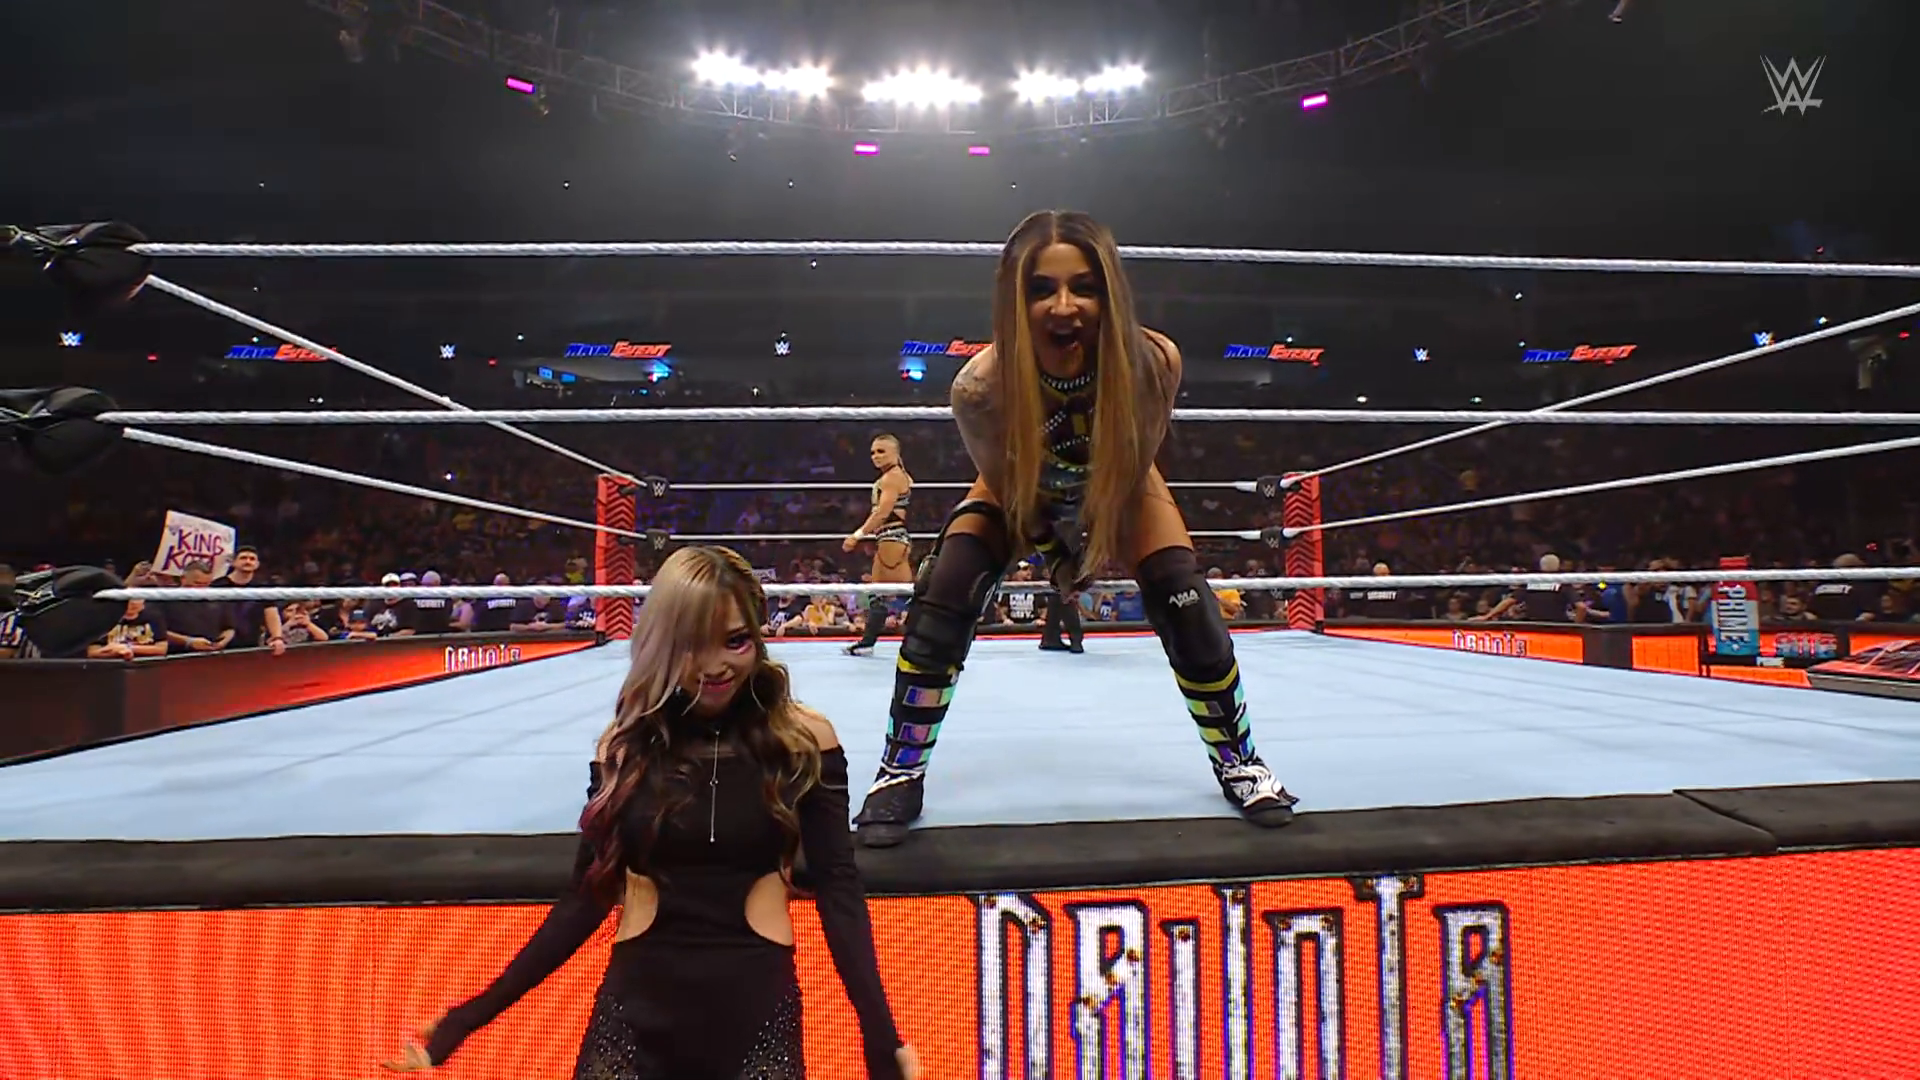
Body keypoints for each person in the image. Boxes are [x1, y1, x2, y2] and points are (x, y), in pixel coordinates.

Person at [852, 209, 1297, 849]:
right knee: (946, 588)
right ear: (1016, 298)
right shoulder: (979, 387)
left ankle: (1240, 761)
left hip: (1120, 477)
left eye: (1083, 287)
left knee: (1183, 597)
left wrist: (1094, 542)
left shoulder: (1152, 362)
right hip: (1021, 482)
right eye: (1043, 289)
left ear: (1108, 290)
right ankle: (900, 769)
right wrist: (1056, 558)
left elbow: (1133, 464)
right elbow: (1010, 485)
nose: (1064, 307)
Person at [387, 546, 917, 1080]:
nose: (715, 666)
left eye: (735, 640)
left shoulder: (804, 741)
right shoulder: (625, 748)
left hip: (756, 1014)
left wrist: (880, 1037)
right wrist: (468, 1019)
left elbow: (839, 889)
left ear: (757, 637)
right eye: (691, 645)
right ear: (663, 644)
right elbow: (584, 899)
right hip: (634, 1016)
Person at [844, 434, 915, 656]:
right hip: (888, 539)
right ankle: (867, 643)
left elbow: (882, 512)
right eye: (873, 452)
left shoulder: (892, 478)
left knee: (908, 595)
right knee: (878, 594)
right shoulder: (893, 476)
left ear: (896, 453)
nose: (875, 456)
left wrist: (857, 535)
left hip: (893, 539)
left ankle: (932, 640)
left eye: (881, 451)